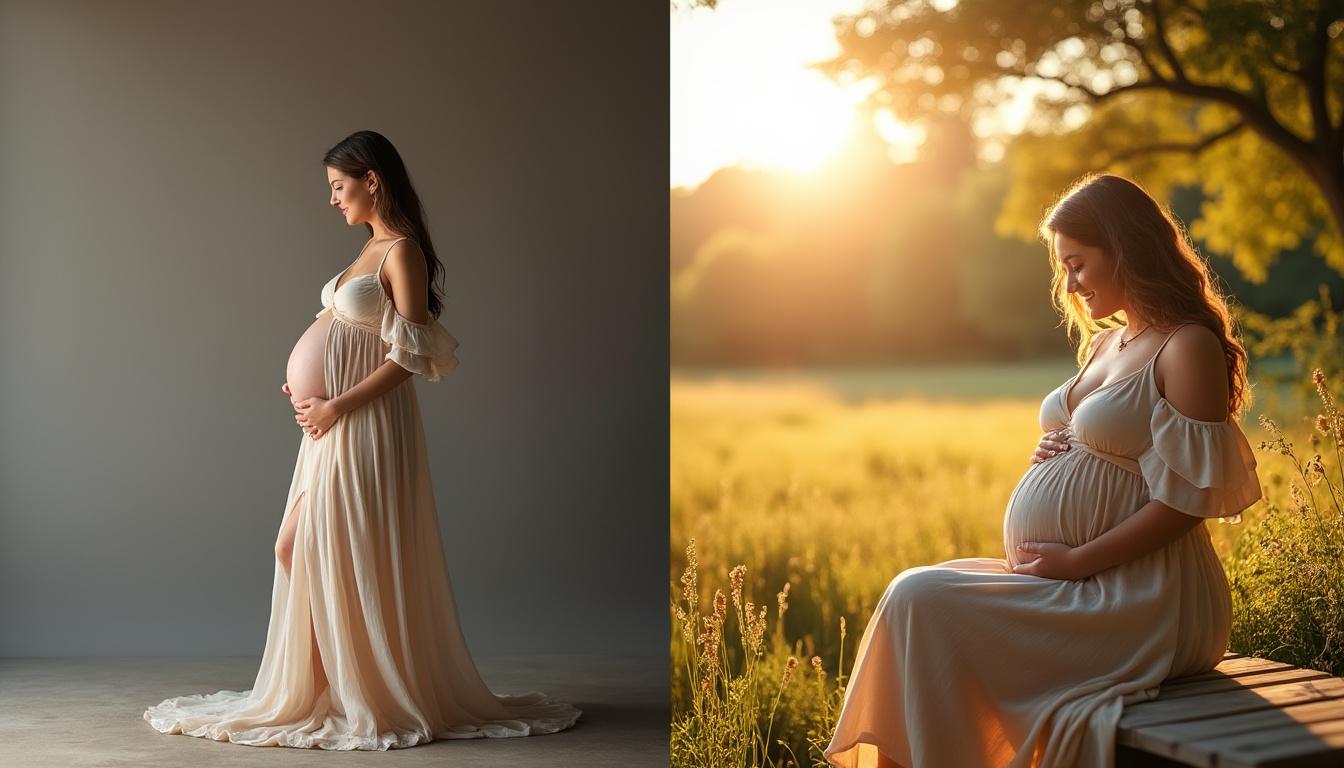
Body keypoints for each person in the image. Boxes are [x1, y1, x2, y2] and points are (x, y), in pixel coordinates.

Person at [143, 130, 581, 750]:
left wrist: (334, 402)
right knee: (298, 547)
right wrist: (303, 384)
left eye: (337, 185)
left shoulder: (400, 251)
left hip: (364, 424)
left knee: (334, 548)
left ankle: (357, 691)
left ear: (371, 179)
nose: (331, 199)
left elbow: (413, 356)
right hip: (327, 424)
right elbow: (342, 332)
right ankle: (327, 686)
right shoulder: (367, 249)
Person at [823, 173, 1262, 768]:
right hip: (1071, 582)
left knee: (923, 597)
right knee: (912, 597)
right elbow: (1112, 447)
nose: (1071, 284)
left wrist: (1075, 559)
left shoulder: (1186, 347)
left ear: (1124, 248)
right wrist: (1064, 452)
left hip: (1143, 596)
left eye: (1078, 263)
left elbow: (1186, 501)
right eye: (1064, 268)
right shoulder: (1108, 345)